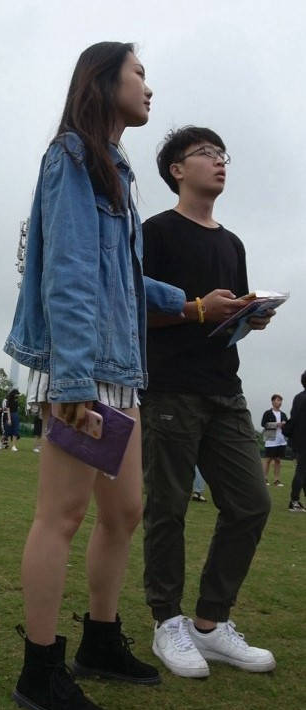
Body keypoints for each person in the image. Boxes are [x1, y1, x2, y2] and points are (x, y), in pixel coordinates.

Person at [3, 42, 200, 710]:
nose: (149, 86)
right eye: (138, 72)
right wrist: (74, 380)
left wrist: (195, 305)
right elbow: (69, 271)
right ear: (103, 78)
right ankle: (39, 667)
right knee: (60, 515)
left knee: (124, 513)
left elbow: (122, 275)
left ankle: (100, 639)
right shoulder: (72, 157)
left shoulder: (115, 167)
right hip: (84, 368)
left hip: (119, 368)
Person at [140, 126, 276, 679]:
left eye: (223, 155)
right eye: (206, 154)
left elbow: (224, 318)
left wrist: (246, 317)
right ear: (177, 170)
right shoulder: (155, 233)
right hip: (169, 387)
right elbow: (133, 308)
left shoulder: (232, 243)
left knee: (251, 504)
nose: (220, 162)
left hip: (225, 388)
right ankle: (166, 621)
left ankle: (211, 623)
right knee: (167, 508)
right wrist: (197, 308)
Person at [283, 371, 306, 511]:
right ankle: (294, 501)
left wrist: (287, 430)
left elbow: (294, 417)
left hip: (298, 439)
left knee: (303, 470)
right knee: (302, 470)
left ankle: (295, 500)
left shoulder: (298, 397)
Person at [261, 394, 288, 486]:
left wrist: (285, 424)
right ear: (273, 402)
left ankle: (276, 480)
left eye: (280, 401)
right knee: (268, 460)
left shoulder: (283, 414)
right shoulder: (267, 413)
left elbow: (287, 426)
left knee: (278, 460)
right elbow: (263, 424)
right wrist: (276, 424)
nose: (279, 402)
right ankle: (264, 479)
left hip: (281, 440)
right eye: (278, 400)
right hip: (270, 438)